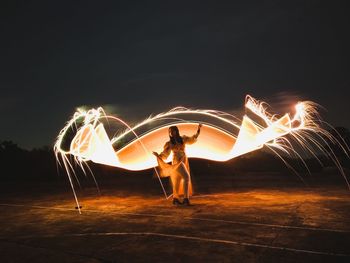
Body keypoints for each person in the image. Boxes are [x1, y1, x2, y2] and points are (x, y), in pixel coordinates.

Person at [153, 124, 202, 205]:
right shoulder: (169, 143)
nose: (171, 133)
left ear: (176, 131)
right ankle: (186, 199)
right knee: (186, 177)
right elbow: (165, 154)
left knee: (177, 180)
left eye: (173, 131)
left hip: (184, 160)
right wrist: (158, 155)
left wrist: (198, 130)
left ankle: (175, 199)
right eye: (170, 132)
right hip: (177, 162)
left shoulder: (183, 139)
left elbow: (191, 140)